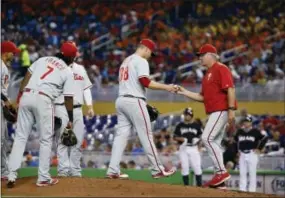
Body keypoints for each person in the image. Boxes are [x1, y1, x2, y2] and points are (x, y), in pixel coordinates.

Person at [6, 41, 77, 188]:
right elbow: (68, 98)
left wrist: (19, 100)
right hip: (43, 99)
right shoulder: (68, 71)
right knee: (46, 139)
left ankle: (11, 175)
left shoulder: (42, 59)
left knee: (20, 137)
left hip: (26, 96)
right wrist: (70, 119)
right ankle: (43, 178)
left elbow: (26, 79)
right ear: (71, 58)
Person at [106, 39, 178, 179]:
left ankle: (112, 170)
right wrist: (167, 87)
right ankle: (157, 169)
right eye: (151, 52)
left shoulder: (126, 61)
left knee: (121, 137)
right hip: (134, 101)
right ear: (145, 49)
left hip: (121, 100)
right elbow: (145, 82)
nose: (151, 55)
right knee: (147, 136)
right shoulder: (141, 61)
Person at [176, 44, 237, 187]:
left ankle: (221, 172)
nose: (200, 58)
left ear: (210, 55)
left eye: (202, 55)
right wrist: (184, 91)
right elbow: (201, 97)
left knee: (206, 138)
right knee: (214, 142)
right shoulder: (207, 74)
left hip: (221, 109)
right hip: (215, 111)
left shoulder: (221, 68)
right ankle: (221, 182)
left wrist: (231, 110)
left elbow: (231, 89)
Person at [55, 41, 94, 177]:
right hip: (61, 107)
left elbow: (86, 88)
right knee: (63, 140)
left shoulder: (80, 69)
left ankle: (75, 170)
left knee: (77, 140)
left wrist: (89, 106)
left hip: (77, 109)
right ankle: (63, 170)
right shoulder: (57, 68)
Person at [1, 41, 20, 180]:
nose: (14, 55)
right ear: (6, 52)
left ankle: (3, 171)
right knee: (1, 139)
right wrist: (7, 102)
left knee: (4, 139)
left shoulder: (4, 67)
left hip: (2, 104)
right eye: (13, 52)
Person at [235, 115, 268, 192]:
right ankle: (242, 190)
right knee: (242, 173)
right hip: (242, 154)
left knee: (252, 174)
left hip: (252, 154)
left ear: (251, 123)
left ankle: (252, 191)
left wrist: (259, 148)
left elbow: (265, 138)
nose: (246, 123)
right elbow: (235, 141)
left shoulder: (255, 131)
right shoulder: (240, 131)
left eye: (248, 122)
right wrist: (237, 151)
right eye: (245, 122)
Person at [173, 107, 203, 186]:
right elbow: (174, 137)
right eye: (185, 114)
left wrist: (198, 141)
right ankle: (186, 188)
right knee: (184, 167)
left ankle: (200, 187)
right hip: (183, 147)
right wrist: (181, 139)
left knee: (197, 167)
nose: (187, 116)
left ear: (191, 115)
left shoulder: (196, 125)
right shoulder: (180, 125)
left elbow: (201, 136)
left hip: (194, 148)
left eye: (188, 114)